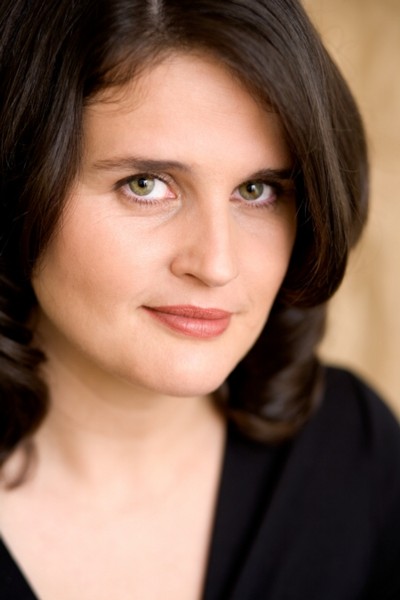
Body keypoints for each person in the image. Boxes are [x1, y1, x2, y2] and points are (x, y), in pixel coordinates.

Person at [0, 0, 399, 598]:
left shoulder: (354, 450)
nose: (216, 265)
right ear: (16, 182)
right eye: (146, 185)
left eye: (257, 190)